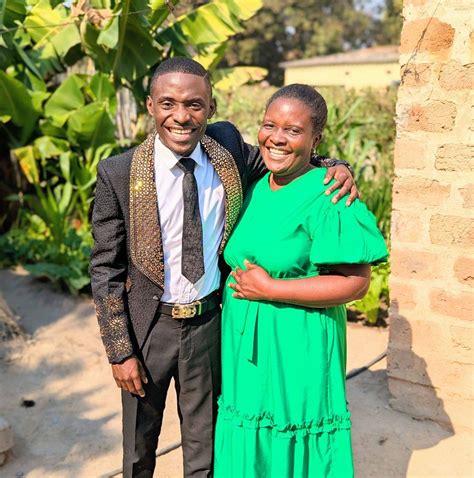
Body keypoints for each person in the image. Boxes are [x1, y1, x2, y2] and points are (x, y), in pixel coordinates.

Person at [90, 58, 358, 478]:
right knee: (139, 449)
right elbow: (105, 268)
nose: (181, 116)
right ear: (150, 106)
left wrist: (338, 167)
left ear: (211, 108)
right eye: (168, 103)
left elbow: (288, 153)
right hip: (149, 330)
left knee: (206, 447)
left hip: (208, 324)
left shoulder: (228, 150)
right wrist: (119, 350)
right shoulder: (118, 172)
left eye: (194, 104)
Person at [213, 84, 388, 477]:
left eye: (293, 130)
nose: (277, 138)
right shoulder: (254, 185)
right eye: (269, 125)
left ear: (315, 139)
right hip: (244, 349)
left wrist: (271, 289)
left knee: (293, 433)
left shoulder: (330, 194)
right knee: (251, 435)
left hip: (297, 342)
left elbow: (355, 282)